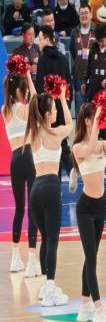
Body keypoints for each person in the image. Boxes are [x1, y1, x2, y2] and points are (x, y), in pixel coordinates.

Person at [25, 81, 72, 306]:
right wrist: (62, 97)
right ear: (46, 114)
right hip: (51, 188)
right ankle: (51, 289)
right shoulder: (56, 133)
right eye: (53, 109)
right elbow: (70, 123)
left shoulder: (33, 132)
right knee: (52, 241)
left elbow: (35, 103)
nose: (56, 112)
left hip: (35, 190)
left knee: (45, 238)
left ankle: (45, 284)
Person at [72, 105, 106, 322]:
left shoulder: (99, 144)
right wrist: (98, 123)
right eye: (95, 118)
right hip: (85, 209)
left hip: (100, 207)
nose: (98, 121)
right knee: (91, 260)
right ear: (87, 121)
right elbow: (89, 147)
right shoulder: (78, 147)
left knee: (92, 257)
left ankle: (84, 307)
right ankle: (98, 308)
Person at [2, 64, 39, 275]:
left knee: (19, 209)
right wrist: (28, 76)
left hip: (15, 161)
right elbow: (36, 98)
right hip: (29, 158)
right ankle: (32, 259)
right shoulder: (24, 109)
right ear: (18, 91)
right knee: (33, 209)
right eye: (22, 89)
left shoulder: (4, 110)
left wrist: (17, 78)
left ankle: (15, 258)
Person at [35, 26, 73, 181]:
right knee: (62, 142)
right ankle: (71, 169)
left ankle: (56, 181)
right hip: (62, 108)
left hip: (47, 111)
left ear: (47, 39)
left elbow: (39, 88)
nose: (38, 42)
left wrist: (41, 110)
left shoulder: (43, 60)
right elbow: (69, 84)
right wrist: (65, 105)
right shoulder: (63, 59)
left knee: (51, 145)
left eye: (40, 39)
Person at [69, 2, 95, 114]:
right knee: (81, 110)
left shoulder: (95, 31)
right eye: (81, 13)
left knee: (93, 109)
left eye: (86, 13)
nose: (83, 16)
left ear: (91, 15)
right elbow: (72, 50)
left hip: (93, 77)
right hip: (79, 76)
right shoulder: (74, 32)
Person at [84, 24, 106, 101]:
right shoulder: (94, 48)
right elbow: (89, 66)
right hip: (93, 90)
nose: (100, 43)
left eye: (102, 41)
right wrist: (84, 82)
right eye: (98, 41)